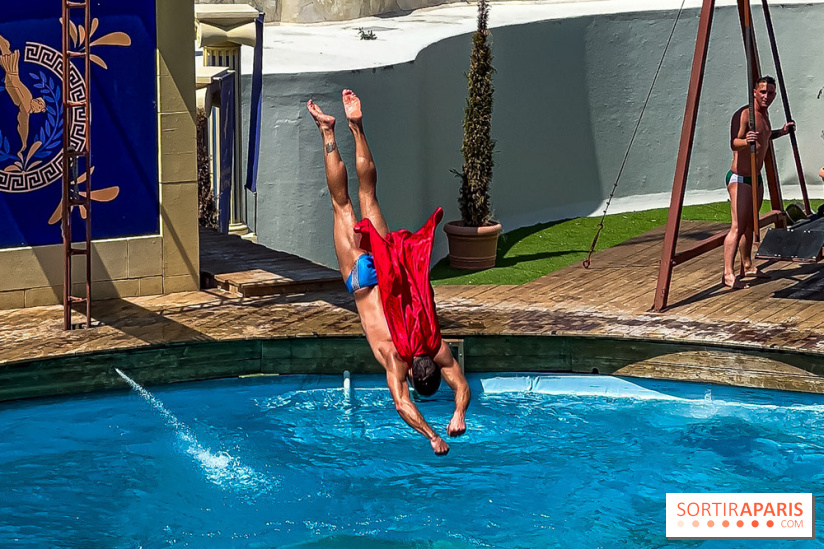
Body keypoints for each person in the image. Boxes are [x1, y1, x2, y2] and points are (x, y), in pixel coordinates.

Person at [306, 89, 470, 456]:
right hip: (363, 280)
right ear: (413, 375)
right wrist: (433, 436)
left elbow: (461, 385)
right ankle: (328, 132)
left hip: (388, 263)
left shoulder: (436, 346)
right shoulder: (396, 359)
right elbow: (401, 405)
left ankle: (357, 127)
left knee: (368, 194)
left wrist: (460, 410)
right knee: (340, 203)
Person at [723, 75, 794, 289]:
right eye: (762, 92)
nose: (766, 96)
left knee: (749, 226)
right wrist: (746, 141)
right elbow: (734, 143)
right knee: (737, 226)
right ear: (754, 91)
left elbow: (764, 137)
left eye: (770, 93)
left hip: (756, 177)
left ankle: (747, 265)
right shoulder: (745, 114)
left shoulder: (763, 115)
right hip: (740, 178)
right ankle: (728, 273)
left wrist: (781, 132)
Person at [0, 33, 46, 158]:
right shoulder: (27, 101)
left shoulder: (26, 106)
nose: (38, 110)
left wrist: (24, 143)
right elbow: (23, 124)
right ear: (37, 102)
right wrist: (24, 143)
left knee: (5, 49)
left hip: (10, 78)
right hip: (12, 73)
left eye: (40, 110)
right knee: (5, 49)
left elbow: (22, 123)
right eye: (39, 107)